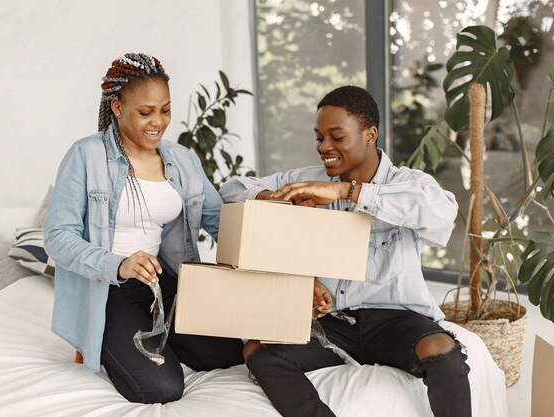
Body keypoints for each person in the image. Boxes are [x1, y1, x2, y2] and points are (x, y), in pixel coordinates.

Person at [219, 85, 471, 417]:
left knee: (443, 350)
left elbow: (442, 213)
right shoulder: (304, 179)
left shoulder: (407, 183)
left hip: (396, 320)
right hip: (331, 322)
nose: (324, 147)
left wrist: (347, 191)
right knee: (257, 348)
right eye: (319, 137)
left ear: (370, 135)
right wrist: (277, 200)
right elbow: (231, 189)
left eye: (336, 137)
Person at [44, 53, 243, 404]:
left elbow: (218, 219)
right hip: (110, 290)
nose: (158, 122)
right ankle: (109, 340)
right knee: (161, 388)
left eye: (165, 110)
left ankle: (159, 337)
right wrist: (118, 263)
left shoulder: (182, 159)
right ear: (117, 108)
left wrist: (267, 232)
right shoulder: (86, 156)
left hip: (163, 283)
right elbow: (58, 238)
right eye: (145, 112)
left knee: (229, 354)